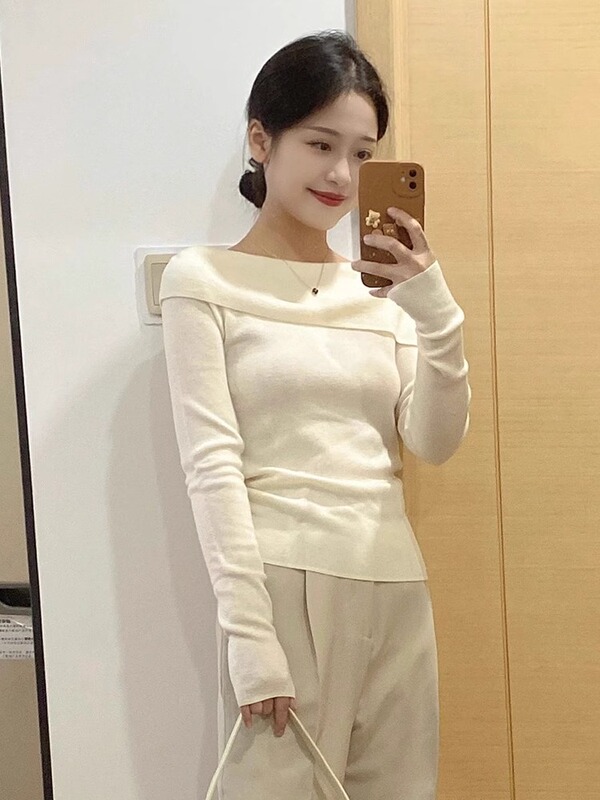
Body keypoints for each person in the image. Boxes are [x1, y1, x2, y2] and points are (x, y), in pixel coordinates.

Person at [159, 28, 471, 800]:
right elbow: (212, 466)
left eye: (363, 154)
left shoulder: (385, 296)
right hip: (284, 584)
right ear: (261, 140)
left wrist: (437, 315)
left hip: (395, 582)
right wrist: (249, 636)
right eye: (321, 144)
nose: (341, 175)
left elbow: (433, 442)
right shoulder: (202, 280)